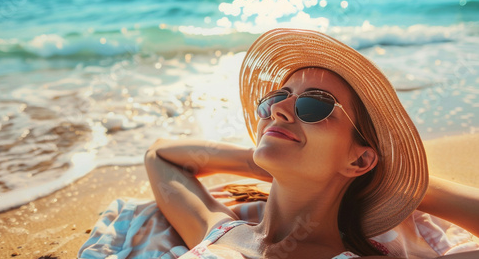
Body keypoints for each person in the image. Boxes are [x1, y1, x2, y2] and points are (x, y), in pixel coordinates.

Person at [144, 28, 479, 258]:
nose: (277, 109)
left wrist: (389, 184)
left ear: (359, 161)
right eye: (276, 98)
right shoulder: (217, 230)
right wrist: (262, 160)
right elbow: (159, 154)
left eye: (315, 105)